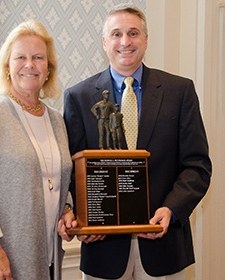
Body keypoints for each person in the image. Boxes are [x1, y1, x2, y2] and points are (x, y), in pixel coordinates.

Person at [61, 4, 212, 280]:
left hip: (163, 246)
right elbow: (70, 171)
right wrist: (80, 215)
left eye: (133, 33)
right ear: (105, 42)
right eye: (116, 34)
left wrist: (171, 209)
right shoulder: (78, 97)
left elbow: (197, 165)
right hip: (102, 249)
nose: (125, 42)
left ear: (145, 39)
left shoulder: (180, 91)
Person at [0, 19, 75, 280]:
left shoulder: (56, 120)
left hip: (46, 256)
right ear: (8, 66)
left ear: (48, 68)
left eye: (38, 57)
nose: (29, 65)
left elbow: (57, 180)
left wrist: (67, 210)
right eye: (20, 57)